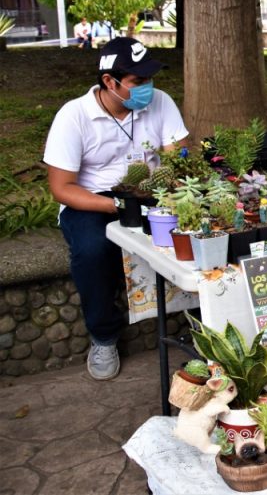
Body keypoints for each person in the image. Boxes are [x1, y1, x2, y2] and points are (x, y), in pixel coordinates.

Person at [43, 38, 188, 381]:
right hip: (93, 199)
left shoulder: (161, 103)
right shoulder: (74, 116)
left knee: (199, 232)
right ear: (110, 82)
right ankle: (103, 336)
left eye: (150, 79)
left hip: (154, 190)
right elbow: (61, 188)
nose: (148, 88)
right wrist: (118, 205)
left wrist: (178, 180)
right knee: (93, 251)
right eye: (139, 82)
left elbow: (180, 159)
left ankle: (202, 319)